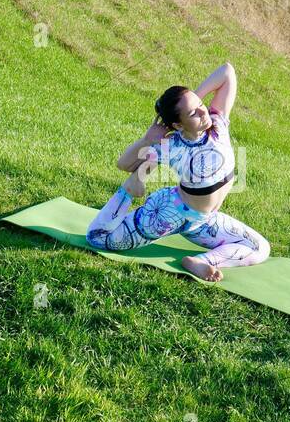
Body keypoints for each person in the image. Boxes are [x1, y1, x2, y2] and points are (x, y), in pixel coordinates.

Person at [86, 62, 270, 282]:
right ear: (179, 125)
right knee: (98, 238)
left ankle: (202, 261)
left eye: (201, 104)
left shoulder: (218, 123)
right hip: (169, 214)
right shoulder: (171, 145)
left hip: (204, 221)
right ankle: (130, 189)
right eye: (193, 113)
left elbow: (227, 71)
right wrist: (146, 140)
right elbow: (123, 164)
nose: (203, 111)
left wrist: (192, 100)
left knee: (259, 248)